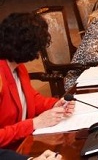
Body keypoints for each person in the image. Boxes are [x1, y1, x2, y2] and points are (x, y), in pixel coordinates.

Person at [0, 13, 75, 148]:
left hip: (22, 142)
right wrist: (34, 123)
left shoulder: (18, 67)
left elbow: (31, 98)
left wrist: (54, 104)